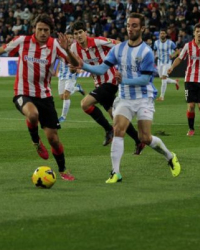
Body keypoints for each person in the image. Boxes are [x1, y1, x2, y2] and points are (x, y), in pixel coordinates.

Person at [0, 14, 81, 181]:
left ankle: (63, 170)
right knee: (32, 114)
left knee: (53, 139)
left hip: (45, 96)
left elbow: (75, 66)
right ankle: (36, 141)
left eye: (46, 30)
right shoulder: (22, 41)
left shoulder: (55, 45)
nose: (43, 33)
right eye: (40, 29)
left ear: (51, 31)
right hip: (22, 92)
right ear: (34, 29)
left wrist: (67, 49)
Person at [74, 13, 181, 183]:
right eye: (128, 25)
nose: (130, 29)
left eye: (134, 26)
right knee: (118, 130)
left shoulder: (146, 52)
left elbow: (146, 79)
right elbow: (102, 69)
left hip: (143, 97)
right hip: (124, 97)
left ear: (142, 29)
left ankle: (170, 156)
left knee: (145, 137)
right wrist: (83, 65)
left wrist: (125, 80)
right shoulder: (118, 49)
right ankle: (115, 173)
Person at [70, 20, 145, 154]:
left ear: (86, 32)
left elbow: (119, 44)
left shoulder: (98, 42)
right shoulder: (74, 49)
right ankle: (139, 141)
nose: (79, 35)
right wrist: (72, 68)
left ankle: (108, 129)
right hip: (99, 84)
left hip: (110, 81)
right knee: (117, 118)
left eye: (80, 32)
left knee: (84, 104)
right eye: (76, 34)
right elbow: (73, 69)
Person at [167, 23, 200, 136]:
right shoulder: (188, 46)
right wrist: (172, 67)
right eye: (197, 31)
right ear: (194, 33)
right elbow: (179, 58)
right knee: (191, 105)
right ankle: (191, 129)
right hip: (189, 78)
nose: (199, 34)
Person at [56, 30, 86, 123]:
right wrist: (56, 71)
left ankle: (63, 117)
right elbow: (58, 61)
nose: (69, 39)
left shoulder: (76, 50)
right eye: (68, 37)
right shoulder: (60, 49)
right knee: (61, 96)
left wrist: (79, 70)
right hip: (62, 75)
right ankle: (77, 88)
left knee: (66, 95)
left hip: (71, 75)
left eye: (71, 38)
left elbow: (82, 62)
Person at [153, 28, 180, 101]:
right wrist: (154, 57)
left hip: (167, 62)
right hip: (160, 62)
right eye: (161, 33)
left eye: (163, 33)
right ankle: (175, 82)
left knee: (164, 78)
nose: (162, 35)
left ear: (166, 35)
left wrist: (173, 55)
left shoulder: (170, 43)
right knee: (162, 79)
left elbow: (177, 51)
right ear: (159, 35)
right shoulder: (156, 43)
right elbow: (154, 50)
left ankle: (162, 97)